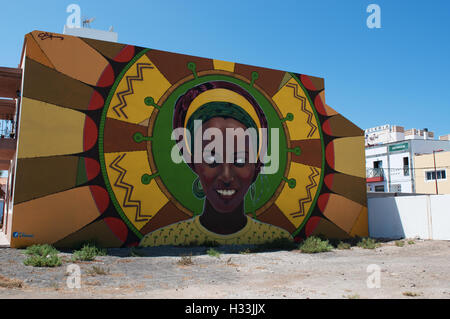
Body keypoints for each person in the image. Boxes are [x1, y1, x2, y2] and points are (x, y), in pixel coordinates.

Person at [139, 82, 291, 247]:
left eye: (240, 161)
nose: (226, 176)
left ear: (256, 165)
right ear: (194, 162)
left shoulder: (277, 239)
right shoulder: (160, 241)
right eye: (211, 160)